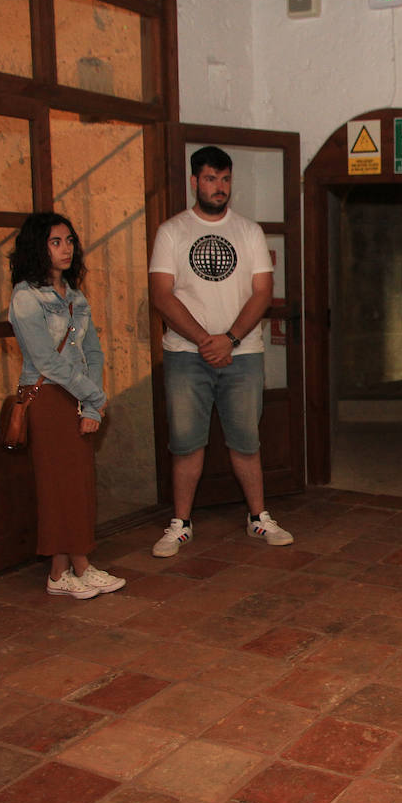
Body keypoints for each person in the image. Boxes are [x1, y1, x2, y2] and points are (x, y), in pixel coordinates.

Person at [148, 145, 293, 557]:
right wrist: (203, 340)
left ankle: (259, 518)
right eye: (211, 179)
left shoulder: (248, 231)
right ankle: (180, 524)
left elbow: (262, 293)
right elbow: (162, 294)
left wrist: (228, 339)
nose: (219, 188)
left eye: (226, 179)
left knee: (246, 440)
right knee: (186, 442)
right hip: (185, 353)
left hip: (242, 353)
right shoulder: (172, 231)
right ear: (195, 182)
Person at [8, 213, 126, 599]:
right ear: (37, 247)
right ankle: (77, 567)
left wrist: (93, 405)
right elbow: (47, 361)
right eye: (56, 241)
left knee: (76, 483)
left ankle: (65, 570)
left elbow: (92, 351)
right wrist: (92, 396)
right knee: (60, 485)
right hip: (48, 397)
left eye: (70, 241)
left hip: (78, 395)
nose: (66, 249)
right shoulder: (27, 297)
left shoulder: (75, 297)